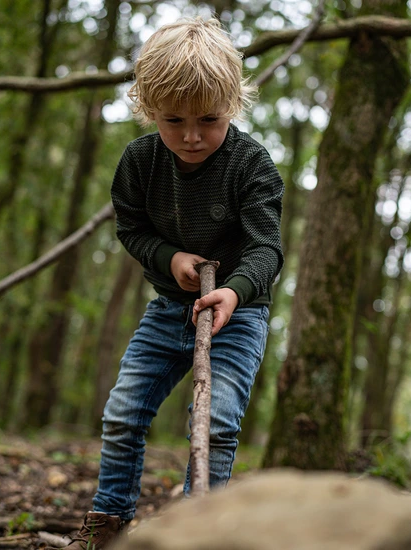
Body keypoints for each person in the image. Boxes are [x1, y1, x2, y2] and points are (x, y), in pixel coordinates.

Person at [50, 16, 284, 550]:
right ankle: (109, 520)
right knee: (122, 413)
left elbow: (266, 247)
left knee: (218, 421)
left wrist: (235, 291)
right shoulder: (140, 162)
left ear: (234, 105)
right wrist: (170, 255)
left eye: (209, 119)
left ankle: (196, 529)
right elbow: (130, 226)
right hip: (168, 310)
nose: (192, 135)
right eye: (173, 120)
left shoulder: (252, 166)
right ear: (148, 110)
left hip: (237, 313)